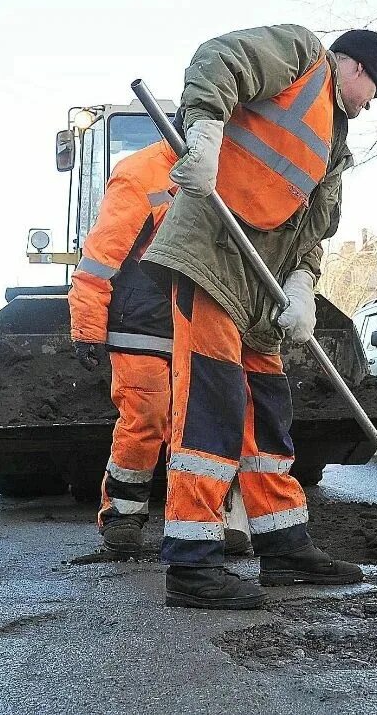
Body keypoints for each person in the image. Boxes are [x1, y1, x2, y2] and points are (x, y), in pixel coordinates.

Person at [142, 24, 377, 609]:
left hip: (264, 285)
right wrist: (203, 135)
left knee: (268, 411)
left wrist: (303, 285)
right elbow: (219, 57)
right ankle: (192, 561)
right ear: (354, 69)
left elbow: (314, 231)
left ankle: (284, 545)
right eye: (371, 92)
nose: (366, 106)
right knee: (212, 406)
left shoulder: (334, 144)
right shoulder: (303, 56)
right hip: (212, 252)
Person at [68, 138, 251, 557]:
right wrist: (88, 326)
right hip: (143, 326)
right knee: (145, 420)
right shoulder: (140, 173)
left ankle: (206, 521)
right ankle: (123, 518)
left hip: (202, 319)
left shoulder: (232, 169)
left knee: (203, 425)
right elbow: (100, 257)